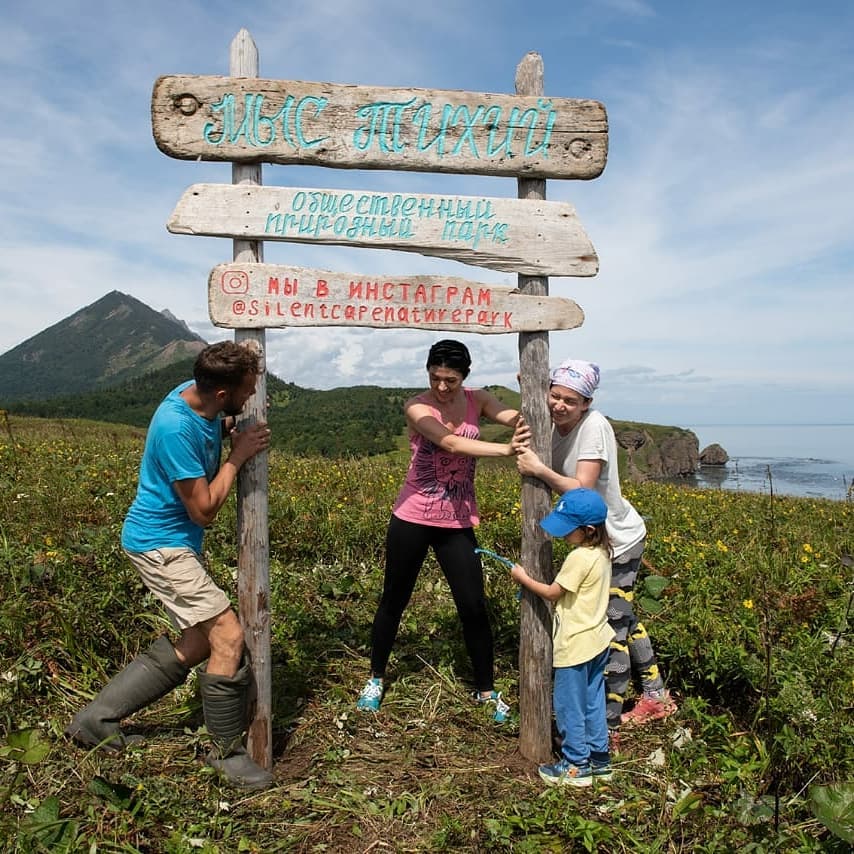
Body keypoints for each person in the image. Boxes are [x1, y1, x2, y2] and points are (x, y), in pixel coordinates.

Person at [65, 341, 274, 791]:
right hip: (161, 547)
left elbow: (214, 425)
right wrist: (237, 457)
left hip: (168, 543)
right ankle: (226, 753)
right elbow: (203, 510)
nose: (248, 399)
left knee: (198, 644)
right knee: (227, 636)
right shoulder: (174, 429)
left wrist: (230, 428)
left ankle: (95, 719)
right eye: (246, 392)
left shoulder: (197, 396)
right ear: (221, 393)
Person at [356, 339, 526, 722]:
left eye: (450, 379)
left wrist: (530, 398)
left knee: (473, 605)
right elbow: (449, 442)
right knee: (394, 600)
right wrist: (506, 452)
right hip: (412, 516)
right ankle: (376, 678)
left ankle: (485, 689)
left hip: (457, 519)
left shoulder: (477, 398)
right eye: (436, 378)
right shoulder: (416, 405)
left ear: (464, 376)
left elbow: (515, 419)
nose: (442, 387)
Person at [512, 359, 676, 737]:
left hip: (617, 542)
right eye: (555, 396)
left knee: (609, 630)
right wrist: (532, 386)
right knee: (623, 615)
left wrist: (539, 469)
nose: (560, 405)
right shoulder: (552, 421)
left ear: (587, 402)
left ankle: (607, 726)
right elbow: (538, 400)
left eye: (571, 400)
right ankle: (655, 693)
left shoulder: (594, 427)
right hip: (593, 540)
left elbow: (583, 488)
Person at [510, 488, 614, 787]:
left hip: (575, 643)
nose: (564, 534)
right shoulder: (603, 553)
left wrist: (524, 579)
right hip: (598, 638)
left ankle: (576, 765)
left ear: (589, 530)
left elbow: (553, 593)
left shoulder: (579, 558)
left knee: (569, 704)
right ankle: (599, 759)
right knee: (593, 700)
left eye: (569, 529)